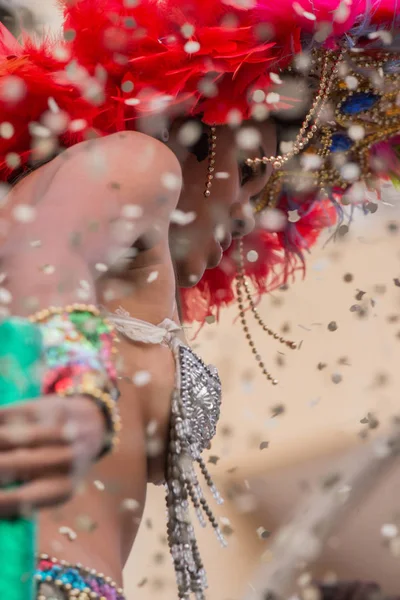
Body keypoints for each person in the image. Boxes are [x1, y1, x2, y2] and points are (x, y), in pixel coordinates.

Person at [0, 0, 399, 598]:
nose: (247, 218)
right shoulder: (138, 160)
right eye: (252, 174)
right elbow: (49, 259)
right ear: (193, 128)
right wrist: (72, 393)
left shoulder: (132, 272)